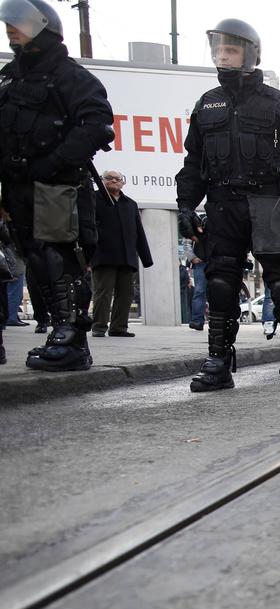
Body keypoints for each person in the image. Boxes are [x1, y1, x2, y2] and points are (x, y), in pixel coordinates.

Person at [177, 18, 280, 392]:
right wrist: (187, 205)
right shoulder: (207, 105)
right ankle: (218, 361)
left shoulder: (278, 104)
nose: (224, 54)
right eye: (219, 48)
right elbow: (193, 162)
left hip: (267, 204)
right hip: (222, 204)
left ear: (251, 54)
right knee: (220, 281)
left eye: (232, 48)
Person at [0, 0, 114, 372]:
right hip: (17, 186)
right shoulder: (9, 77)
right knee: (33, 258)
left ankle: (73, 337)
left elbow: (96, 123)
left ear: (41, 27)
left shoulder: (69, 76)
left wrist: (55, 163)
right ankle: (56, 329)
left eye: (19, 24)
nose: (12, 30)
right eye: (9, 25)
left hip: (57, 187)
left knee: (58, 258)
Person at [89, 170, 152, 338]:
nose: (115, 181)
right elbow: (87, 228)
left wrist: (146, 258)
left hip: (126, 256)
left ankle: (119, 327)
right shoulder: (94, 199)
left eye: (118, 179)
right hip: (103, 255)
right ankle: (99, 326)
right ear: (102, 181)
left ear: (123, 183)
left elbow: (138, 231)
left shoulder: (130, 204)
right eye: (110, 178)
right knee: (103, 293)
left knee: (126, 294)